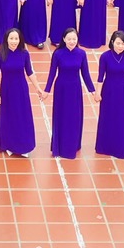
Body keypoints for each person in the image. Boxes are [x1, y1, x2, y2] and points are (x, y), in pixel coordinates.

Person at [44, 28, 98, 159]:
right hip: (61, 89)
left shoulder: (81, 54)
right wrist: (46, 90)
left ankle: (73, 144)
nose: (72, 41)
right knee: (61, 115)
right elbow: (52, 73)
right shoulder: (58, 54)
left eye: (74, 39)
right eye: (69, 39)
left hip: (75, 89)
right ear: (64, 39)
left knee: (74, 116)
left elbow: (85, 74)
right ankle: (59, 145)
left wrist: (93, 91)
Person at [0, 28, 43, 157]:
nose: (14, 41)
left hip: (21, 90)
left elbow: (29, 72)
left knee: (22, 116)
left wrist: (38, 88)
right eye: (11, 38)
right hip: (7, 90)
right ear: (6, 39)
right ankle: (9, 145)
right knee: (9, 116)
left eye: (16, 38)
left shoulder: (24, 54)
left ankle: (24, 146)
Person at [95, 31, 124, 159]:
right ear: (112, 42)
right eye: (118, 43)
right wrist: (97, 92)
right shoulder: (105, 57)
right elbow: (100, 77)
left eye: (123, 44)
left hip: (123, 91)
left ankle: (121, 146)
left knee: (122, 117)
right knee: (108, 116)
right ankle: (106, 146)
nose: (120, 46)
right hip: (108, 90)